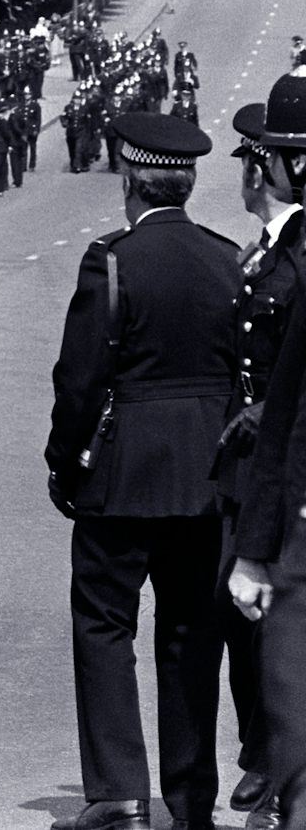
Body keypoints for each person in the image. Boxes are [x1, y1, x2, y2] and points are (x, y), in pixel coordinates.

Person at [45, 112, 239, 830]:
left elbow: (79, 380)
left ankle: (120, 791)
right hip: (208, 478)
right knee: (192, 635)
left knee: (103, 623)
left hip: (122, 475)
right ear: (186, 184)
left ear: (130, 180)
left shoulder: (112, 259)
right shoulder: (229, 258)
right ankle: (191, 800)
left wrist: (64, 466)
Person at [216, 86, 304, 828]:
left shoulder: (299, 254)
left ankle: (278, 771)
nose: (251, 169)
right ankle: (268, 758)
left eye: (262, 156)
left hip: (281, 472)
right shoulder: (268, 247)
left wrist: (260, 410)